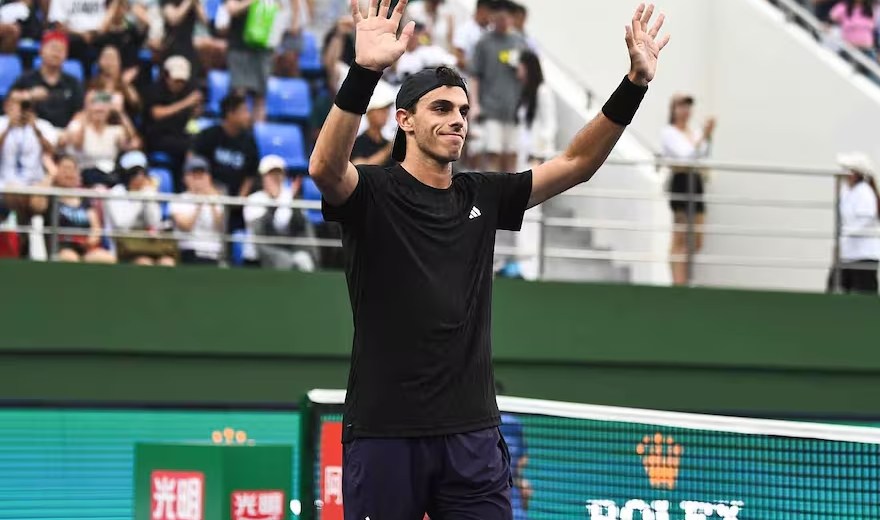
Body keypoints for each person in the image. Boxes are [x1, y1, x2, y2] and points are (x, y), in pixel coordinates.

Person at [308, 0, 668, 516]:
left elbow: (577, 163)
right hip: (384, 433)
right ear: (404, 121)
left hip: (472, 437)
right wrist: (365, 71)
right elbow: (324, 168)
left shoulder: (482, 194)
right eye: (442, 109)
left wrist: (634, 82)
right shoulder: (371, 192)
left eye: (462, 112)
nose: (458, 120)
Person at [661, 93, 715, 286]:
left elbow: (703, 155)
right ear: (674, 110)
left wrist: (707, 136)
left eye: (688, 107)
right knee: (680, 235)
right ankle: (678, 282)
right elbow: (685, 157)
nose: (685, 111)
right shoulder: (669, 132)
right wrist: (704, 137)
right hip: (682, 181)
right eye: (681, 106)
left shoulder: (692, 132)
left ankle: (685, 277)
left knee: (697, 238)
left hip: (696, 181)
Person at [470, 0, 528, 174]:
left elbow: (527, 74)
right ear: (492, 17)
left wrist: (523, 71)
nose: (502, 22)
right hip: (491, 107)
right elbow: (475, 75)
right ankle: (492, 195)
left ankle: (510, 196)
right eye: (498, 18)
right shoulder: (484, 42)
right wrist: (475, 104)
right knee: (492, 153)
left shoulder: (519, 41)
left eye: (506, 18)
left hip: (513, 108)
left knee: (511, 154)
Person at [191, 92, 259, 233]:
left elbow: (250, 175)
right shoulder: (209, 136)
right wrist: (208, 189)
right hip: (209, 194)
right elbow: (192, 162)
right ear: (230, 114)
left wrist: (240, 199)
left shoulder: (249, 142)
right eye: (244, 111)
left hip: (235, 203)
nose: (248, 116)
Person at [29, 154, 116, 263]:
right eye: (65, 169)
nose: (69, 173)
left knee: (107, 258)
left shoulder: (84, 199)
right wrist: (50, 175)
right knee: (70, 258)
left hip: (84, 248)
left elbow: (96, 226)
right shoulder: (51, 197)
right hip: (60, 248)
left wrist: (93, 238)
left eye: (72, 169)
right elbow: (36, 206)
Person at [244, 154, 316, 270]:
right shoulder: (254, 199)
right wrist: (274, 204)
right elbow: (261, 230)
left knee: (304, 259)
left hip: (287, 248)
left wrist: (294, 204)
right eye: (271, 174)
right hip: (260, 253)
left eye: (278, 173)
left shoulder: (289, 196)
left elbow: (300, 226)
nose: (275, 178)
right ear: (263, 177)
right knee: (284, 259)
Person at [106, 150, 178, 266]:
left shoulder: (147, 192)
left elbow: (154, 222)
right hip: (124, 246)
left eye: (143, 172)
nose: (140, 177)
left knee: (167, 262)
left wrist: (149, 198)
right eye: (134, 173)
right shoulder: (116, 193)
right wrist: (140, 198)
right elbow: (122, 225)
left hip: (148, 245)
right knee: (144, 262)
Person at [142, 55, 203, 189]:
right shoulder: (155, 90)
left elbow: (193, 117)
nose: (179, 84)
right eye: (176, 80)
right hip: (156, 136)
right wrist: (186, 103)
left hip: (178, 134)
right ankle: (187, 183)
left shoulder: (187, 91)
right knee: (188, 147)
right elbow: (156, 113)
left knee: (198, 142)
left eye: (182, 81)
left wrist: (196, 107)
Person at [63, 89, 141, 187]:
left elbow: (132, 143)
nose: (99, 113)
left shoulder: (115, 130)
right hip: (86, 174)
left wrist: (120, 113)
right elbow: (77, 144)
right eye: (96, 110)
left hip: (110, 175)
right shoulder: (79, 126)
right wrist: (86, 112)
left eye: (102, 111)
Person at [0, 87, 58, 217]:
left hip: (35, 182)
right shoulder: (2, 123)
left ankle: (26, 230)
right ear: (7, 104)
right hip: (6, 182)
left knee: (39, 199)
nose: (21, 106)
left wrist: (35, 130)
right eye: (17, 102)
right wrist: (8, 127)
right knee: (13, 192)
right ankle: (26, 229)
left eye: (25, 103)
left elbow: (52, 151)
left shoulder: (42, 125)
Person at [12, 31, 85, 129]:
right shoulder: (27, 78)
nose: (56, 53)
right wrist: (29, 95)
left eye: (61, 50)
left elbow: (80, 111)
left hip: (63, 134)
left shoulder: (73, 82)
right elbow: (10, 99)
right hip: (32, 130)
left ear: (66, 55)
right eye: (53, 48)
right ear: (41, 50)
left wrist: (71, 130)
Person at [834, 152, 880, 294]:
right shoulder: (847, 191)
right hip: (847, 253)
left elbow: (865, 219)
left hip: (863, 255)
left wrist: (846, 232)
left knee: (863, 293)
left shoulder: (865, 192)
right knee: (838, 287)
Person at [170, 155, 225, 265]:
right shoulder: (178, 200)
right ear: (185, 178)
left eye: (202, 175)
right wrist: (199, 203)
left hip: (214, 252)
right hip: (190, 251)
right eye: (194, 175)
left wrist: (211, 200)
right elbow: (186, 226)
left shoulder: (217, 199)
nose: (198, 179)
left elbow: (220, 225)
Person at [224, 0, 273, 122]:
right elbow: (232, 9)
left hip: (262, 49)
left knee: (260, 96)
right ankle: (239, 134)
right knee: (239, 94)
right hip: (239, 48)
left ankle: (257, 135)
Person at [47, 0, 107, 77]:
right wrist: (82, 35)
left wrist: (95, 33)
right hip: (73, 38)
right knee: (78, 43)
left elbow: (107, 22)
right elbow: (59, 27)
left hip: (97, 36)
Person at [88, 45, 143, 121]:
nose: (110, 62)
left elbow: (136, 107)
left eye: (113, 58)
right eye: (106, 57)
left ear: (119, 62)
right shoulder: (92, 84)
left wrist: (125, 85)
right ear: (99, 62)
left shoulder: (125, 83)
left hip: (123, 125)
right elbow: (91, 101)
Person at [350, 81, 396, 167]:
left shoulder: (386, 143)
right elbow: (359, 166)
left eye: (386, 110)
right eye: (380, 110)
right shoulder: (359, 142)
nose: (385, 114)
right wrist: (388, 150)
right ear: (369, 114)